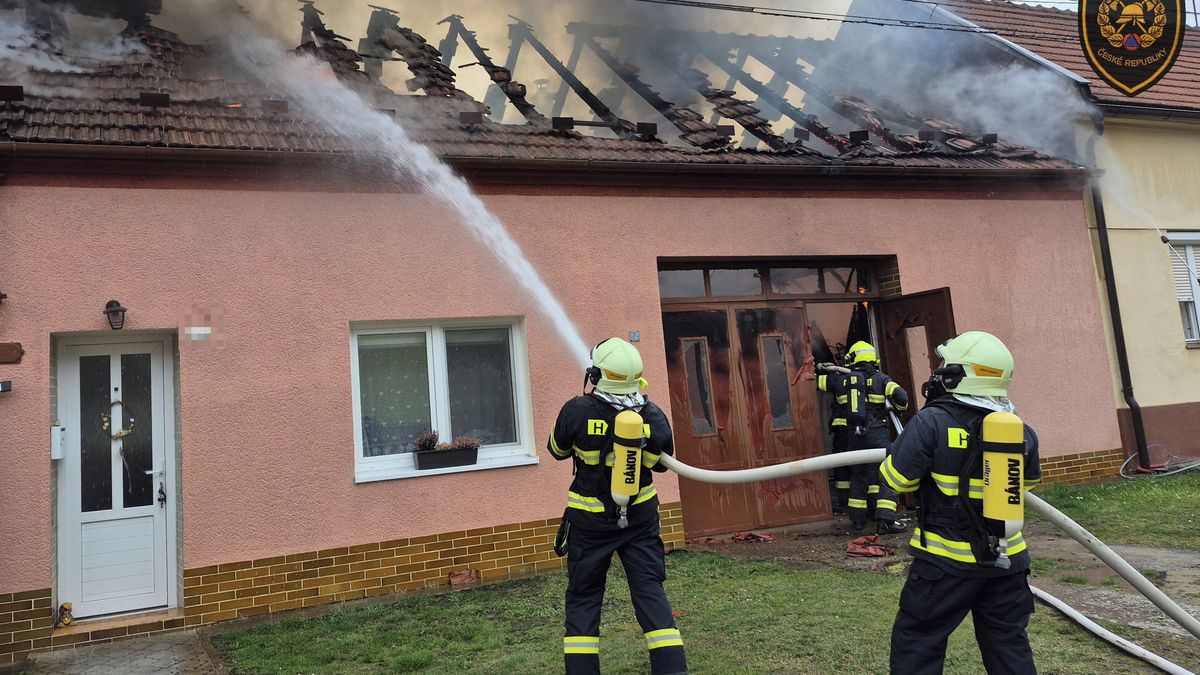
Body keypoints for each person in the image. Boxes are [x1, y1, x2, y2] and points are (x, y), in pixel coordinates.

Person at [879, 331, 1042, 674]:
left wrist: (901, 450)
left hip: (946, 563)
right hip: (1008, 560)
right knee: (1009, 647)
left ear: (958, 374)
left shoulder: (931, 422)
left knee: (918, 642)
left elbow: (897, 480)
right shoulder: (1019, 429)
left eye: (944, 365)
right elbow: (1024, 485)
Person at [547, 338, 688, 675]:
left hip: (590, 522)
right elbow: (660, 465)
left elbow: (557, 450)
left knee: (584, 598)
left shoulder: (577, 410)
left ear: (596, 375)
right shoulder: (652, 414)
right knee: (649, 592)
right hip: (640, 520)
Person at [819, 341, 909, 533]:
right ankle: (885, 518)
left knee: (859, 475)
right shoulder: (882, 379)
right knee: (886, 473)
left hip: (854, 435)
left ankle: (858, 521)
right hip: (877, 434)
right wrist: (898, 409)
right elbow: (902, 397)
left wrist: (820, 368)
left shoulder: (843, 380)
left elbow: (818, 383)